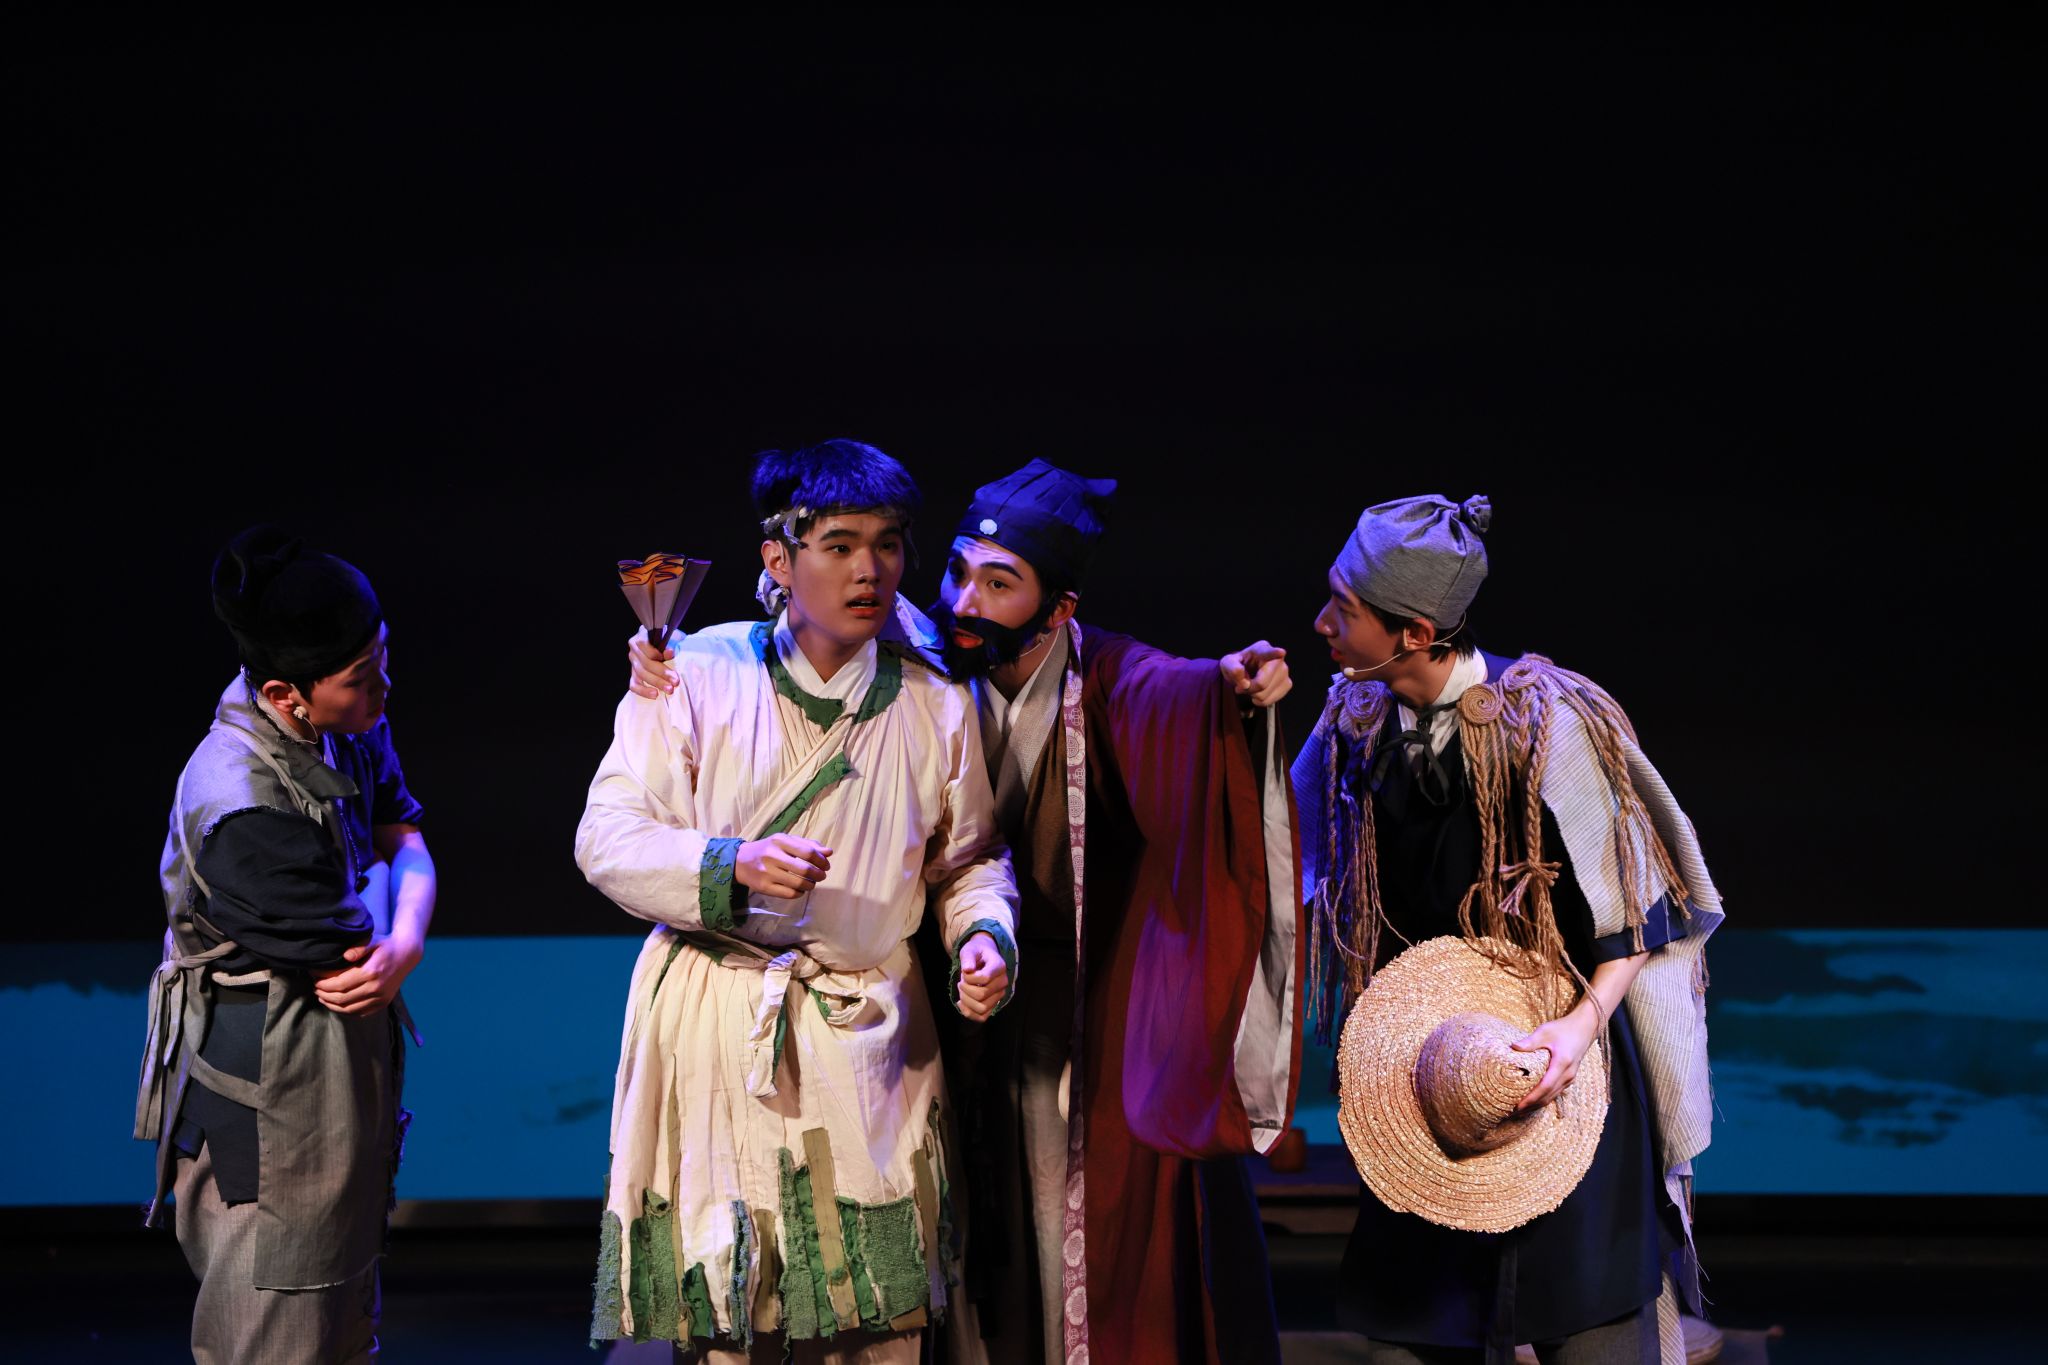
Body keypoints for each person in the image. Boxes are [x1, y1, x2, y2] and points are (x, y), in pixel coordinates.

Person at [629, 457, 1304, 1365]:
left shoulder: (1077, 679)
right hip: (891, 1007)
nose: (964, 601)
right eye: (955, 571)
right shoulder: (903, 655)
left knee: (1043, 1242)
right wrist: (668, 658)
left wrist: (1228, 689)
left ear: (1058, 609)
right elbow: (807, 599)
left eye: (998, 583)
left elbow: (1161, 700)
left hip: (1060, 1007)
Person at [578, 440, 1020, 1363]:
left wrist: (984, 933)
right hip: (718, 1015)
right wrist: (730, 862)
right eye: (841, 545)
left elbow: (969, 857)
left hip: (868, 1030)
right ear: (779, 558)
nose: (871, 570)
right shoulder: (694, 671)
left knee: (878, 1313)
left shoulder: (935, 701)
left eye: (889, 544)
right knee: (727, 1309)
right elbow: (607, 836)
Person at [1291, 495, 1723, 1365]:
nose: (1322, 624)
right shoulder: (1353, 723)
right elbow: (1283, 848)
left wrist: (1577, 1030)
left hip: (1561, 1069)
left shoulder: (1548, 723)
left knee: (1591, 1319)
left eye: (1344, 607)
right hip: (1428, 1082)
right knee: (1418, 1323)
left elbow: (1633, 914)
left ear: (1415, 632)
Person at [137, 525, 436, 1364]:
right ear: (284, 692)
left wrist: (406, 939)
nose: (384, 686)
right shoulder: (241, 807)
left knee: (341, 1322)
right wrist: (388, 928)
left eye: (383, 657)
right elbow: (355, 945)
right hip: (266, 1092)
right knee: (273, 1319)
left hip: (335, 1083)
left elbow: (404, 836)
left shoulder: (350, 722)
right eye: (362, 676)